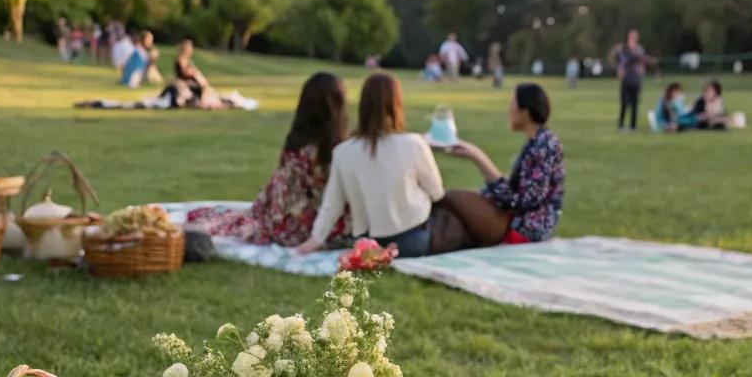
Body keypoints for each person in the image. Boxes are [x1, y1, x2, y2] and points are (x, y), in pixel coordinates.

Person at [187, 73, 350, 246]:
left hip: (294, 225)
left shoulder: (298, 147)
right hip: (327, 228)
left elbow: (283, 197)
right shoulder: (340, 149)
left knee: (228, 220)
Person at [296, 72, 443, 258]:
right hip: (413, 239)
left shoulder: (343, 152)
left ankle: (385, 253)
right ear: (396, 104)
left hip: (368, 242)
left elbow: (332, 205)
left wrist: (314, 241)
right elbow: (437, 193)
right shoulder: (414, 144)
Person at [431, 83, 564, 250]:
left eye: (513, 106)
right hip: (514, 218)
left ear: (525, 112)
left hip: (525, 227)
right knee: (452, 209)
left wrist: (478, 157)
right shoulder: (538, 141)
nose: (509, 111)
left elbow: (522, 202)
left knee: (446, 197)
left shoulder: (545, 145)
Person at [614, 28, 656, 130]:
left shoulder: (639, 49)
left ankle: (632, 126)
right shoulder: (623, 49)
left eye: (635, 37)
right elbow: (619, 62)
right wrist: (619, 70)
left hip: (636, 79)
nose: (633, 39)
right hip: (626, 79)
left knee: (635, 103)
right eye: (631, 37)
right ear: (628, 38)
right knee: (624, 102)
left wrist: (642, 70)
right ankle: (621, 124)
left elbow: (642, 61)